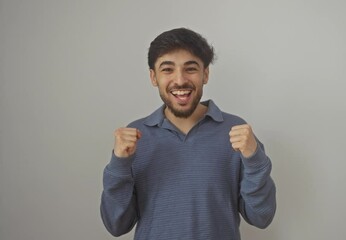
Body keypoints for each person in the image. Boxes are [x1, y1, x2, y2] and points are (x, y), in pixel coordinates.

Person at [100, 27, 276, 240]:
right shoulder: (135, 138)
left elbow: (261, 217)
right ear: (153, 77)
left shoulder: (236, 132)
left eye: (190, 68)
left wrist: (255, 160)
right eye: (167, 69)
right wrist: (119, 164)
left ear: (206, 74)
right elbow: (116, 225)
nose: (180, 80)